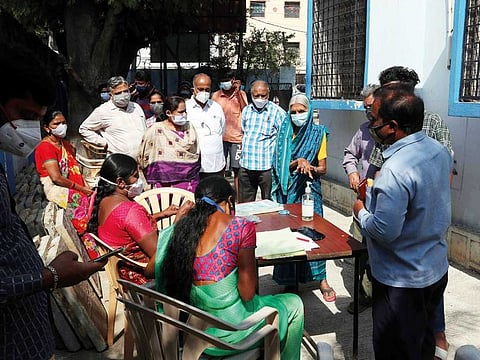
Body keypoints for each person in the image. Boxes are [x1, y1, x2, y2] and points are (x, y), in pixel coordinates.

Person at [0, 42, 106, 360]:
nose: (30, 128)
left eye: (40, 118)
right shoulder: (45, 148)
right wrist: (51, 277)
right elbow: (56, 179)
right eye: (24, 114)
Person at [155, 176, 304, 359]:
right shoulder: (241, 227)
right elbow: (248, 293)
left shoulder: (183, 230)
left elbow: (156, 266)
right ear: (230, 201)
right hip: (233, 333)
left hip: (198, 333)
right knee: (294, 303)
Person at [353, 84, 452, 359]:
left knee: (395, 351)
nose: (370, 125)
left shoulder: (395, 169)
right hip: (433, 268)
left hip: (401, 281)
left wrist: (360, 211)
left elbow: (385, 231)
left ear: (393, 126)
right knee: (421, 344)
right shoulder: (437, 150)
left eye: (374, 121)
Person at [87, 153, 193, 285]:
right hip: (144, 275)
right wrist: (178, 221)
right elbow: (159, 257)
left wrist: (161, 214)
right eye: (136, 176)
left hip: (122, 269)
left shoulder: (102, 199)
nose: (139, 181)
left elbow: (126, 227)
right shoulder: (131, 211)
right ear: (120, 182)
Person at [270, 93, 335, 302]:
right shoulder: (284, 133)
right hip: (287, 191)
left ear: (309, 111)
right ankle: (291, 281)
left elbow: (323, 168)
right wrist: (297, 161)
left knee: (315, 233)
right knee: (289, 234)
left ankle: (321, 278)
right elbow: (279, 164)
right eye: (294, 112)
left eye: (302, 111)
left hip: (310, 190)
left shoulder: (318, 133)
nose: (298, 115)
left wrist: (309, 166)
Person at [342, 83, 380, 313]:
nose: (368, 111)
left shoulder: (395, 132)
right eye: (365, 107)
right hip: (363, 200)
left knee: (381, 254)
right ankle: (364, 296)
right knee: (359, 249)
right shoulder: (364, 130)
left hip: (386, 203)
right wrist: (352, 171)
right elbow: (349, 154)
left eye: (371, 106)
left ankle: (380, 295)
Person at [35, 110, 94, 234]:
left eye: (64, 123)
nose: (61, 126)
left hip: (69, 183)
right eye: (56, 124)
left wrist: (85, 185)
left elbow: (75, 169)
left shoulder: (65, 144)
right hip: (54, 187)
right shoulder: (46, 147)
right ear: (47, 128)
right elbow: (56, 178)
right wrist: (81, 189)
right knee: (80, 201)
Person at [137, 96, 201, 191]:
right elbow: (144, 155)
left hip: (188, 182)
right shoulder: (156, 130)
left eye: (185, 111)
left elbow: (195, 153)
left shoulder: (189, 127)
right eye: (180, 112)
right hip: (163, 184)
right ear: (168, 113)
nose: (184, 114)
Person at [239, 80, 285, 202]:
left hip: (266, 168)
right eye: (256, 96)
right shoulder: (246, 111)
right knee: (245, 205)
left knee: (269, 204)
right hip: (246, 166)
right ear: (251, 95)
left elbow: (284, 137)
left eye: (263, 96)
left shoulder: (277, 112)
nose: (260, 99)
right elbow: (244, 131)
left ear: (268, 95)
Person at [79, 75, 146, 159]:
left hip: (143, 161)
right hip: (120, 163)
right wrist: (103, 143)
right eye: (118, 93)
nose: (123, 95)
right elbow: (84, 129)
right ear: (111, 95)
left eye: (126, 91)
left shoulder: (136, 107)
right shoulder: (103, 111)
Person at [211, 69, 248, 194]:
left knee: (237, 170)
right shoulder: (215, 96)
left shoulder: (241, 94)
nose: (225, 83)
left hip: (237, 138)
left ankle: (238, 199)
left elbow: (246, 110)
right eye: (222, 81)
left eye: (227, 80)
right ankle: (221, 195)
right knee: (219, 169)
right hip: (220, 138)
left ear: (233, 80)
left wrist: (238, 93)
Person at [186, 73, 226, 179]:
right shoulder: (185, 109)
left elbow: (222, 130)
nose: (204, 93)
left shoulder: (216, 108)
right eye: (200, 89)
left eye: (207, 90)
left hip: (215, 165)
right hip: (193, 166)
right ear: (193, 90)